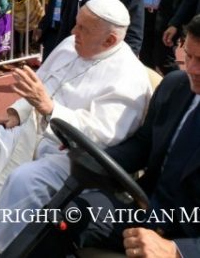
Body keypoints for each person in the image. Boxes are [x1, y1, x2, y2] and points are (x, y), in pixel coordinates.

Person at [0, 0, 152, 254]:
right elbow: (41, 85)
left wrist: (52, 110)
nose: (73, 31)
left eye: (83, 28)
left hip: (71, 154)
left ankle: (2, 250)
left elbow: (103, 135)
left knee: (25, 180)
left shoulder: (130, 78)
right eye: (76, 23)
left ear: (109, 40)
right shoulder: (70, 45)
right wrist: (17, 112)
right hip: (32, 129)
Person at [35, 14, 200, 258]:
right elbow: (143, 145)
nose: (192, 69)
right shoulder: (175, 85)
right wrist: (91, 155)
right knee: (60, 217)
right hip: (148, 207)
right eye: (189, 56)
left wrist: (177, 250)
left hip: (189, 233)